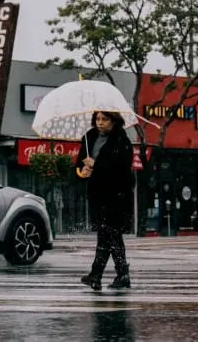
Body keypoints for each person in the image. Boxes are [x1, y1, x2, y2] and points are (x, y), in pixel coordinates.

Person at [76, 111, 135, 291]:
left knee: (107, 234)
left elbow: (121, 169)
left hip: (116, 196)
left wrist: (96, 165)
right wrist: (83, 171)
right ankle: (121, 275)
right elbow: (79, 162)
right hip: (97, 194)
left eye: (105, 119)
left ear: (114, 121)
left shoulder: (122, 141)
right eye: (98, 119)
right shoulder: (89, 138)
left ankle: (97, 275)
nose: (100, 123)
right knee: (110, 235)